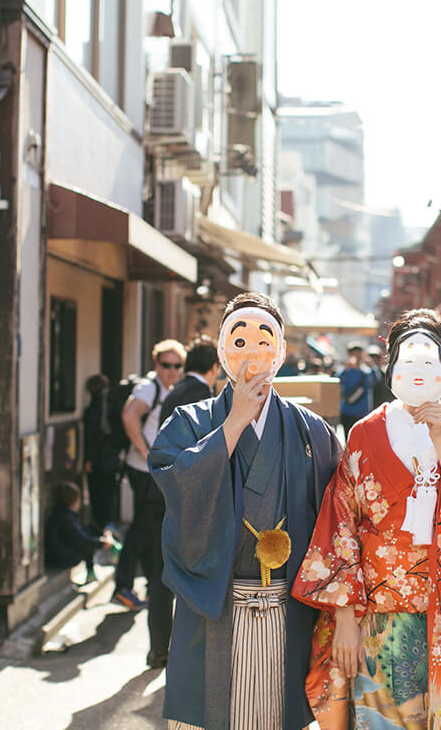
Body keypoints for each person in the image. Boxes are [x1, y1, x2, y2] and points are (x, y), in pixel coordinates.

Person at [294, 309, 441, 729]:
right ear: (392, 365)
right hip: (382, 613)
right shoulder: (365, 431)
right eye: (407, 360)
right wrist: (344, 616)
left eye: (429, 359)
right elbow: (340, 521)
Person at [149, 293, 342, 730]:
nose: (252, 352)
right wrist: (233, 423)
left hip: (286, 606)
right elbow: (175, 483)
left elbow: (338, 518)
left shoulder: (311, 429)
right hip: (214, 602)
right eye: (239, 341)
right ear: (221, 350)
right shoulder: (190, 421)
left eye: (263, 340)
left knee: (276, 714)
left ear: (281, 350)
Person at [134, 336, 220, 670]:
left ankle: (159, 649)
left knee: (159, 575)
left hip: (158, 492)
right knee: (188, 575)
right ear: (214, 367)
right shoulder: (203, 397)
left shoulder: (175, 391)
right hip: (184, 499)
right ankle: (188, 653)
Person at [111, 339, 185, 612]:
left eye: (177, 366)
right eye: (166, 365)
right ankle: (123, 585)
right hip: (143, 470)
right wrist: (146, 452)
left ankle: (136, 584)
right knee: (142, 527)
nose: (172, 371)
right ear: (156, 364)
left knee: (150, 528)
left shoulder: (171, 389)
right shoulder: (148, 387)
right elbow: (129, 415)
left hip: (154, 470)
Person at [44, 482, 116, 578]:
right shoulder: (66, 518)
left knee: (89, 532)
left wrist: (102, 535)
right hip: (59, 557)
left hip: (57, 554)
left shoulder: (62, 513)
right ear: (73, 501)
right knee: (87, 545)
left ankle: (91, 573)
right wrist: (102, 543)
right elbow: (80, 541)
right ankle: (91, 573)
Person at [82, 374, 122, 536]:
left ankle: (100, 527)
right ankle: (109, 525)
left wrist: (89, 459)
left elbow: (93, 433)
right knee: (110, 491)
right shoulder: (114, 401)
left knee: (98, 493)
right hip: (113, 455)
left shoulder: (97, 404)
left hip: (99, 458)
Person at [335, 342, 374, 439]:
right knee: (348, 439)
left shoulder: (367, 371)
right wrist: (345, 369)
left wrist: (372, 365)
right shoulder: (344, 370)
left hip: (363, 412)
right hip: (347, 411)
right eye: (354, 353)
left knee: (363, 441)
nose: (356, 356)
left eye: (359, 353)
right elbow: (337, 381)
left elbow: (376, 381)